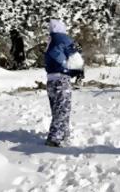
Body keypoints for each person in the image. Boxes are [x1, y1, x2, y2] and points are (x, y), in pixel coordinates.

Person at [44, 19, 84, 147]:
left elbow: (52, 55)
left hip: (50, 80)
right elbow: (76, 59)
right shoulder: (64, 39)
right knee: (63, 109)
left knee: (57, 110)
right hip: (61, 80)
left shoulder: (50, 40)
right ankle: (55, 137)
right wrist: (72, 69)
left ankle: (63, 134)